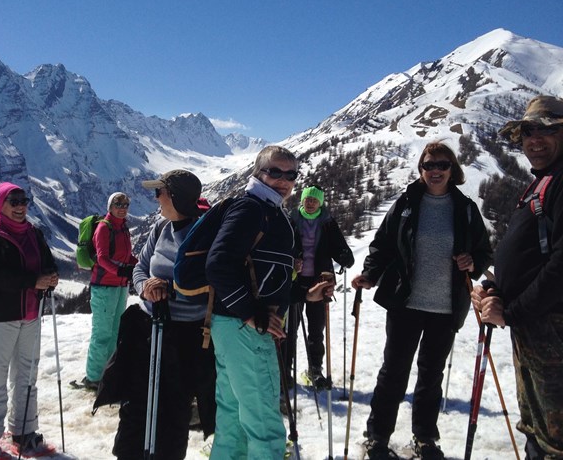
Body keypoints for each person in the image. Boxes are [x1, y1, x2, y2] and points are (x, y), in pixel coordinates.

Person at [351, 142, 492, 460]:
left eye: (442, 165)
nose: (436, 171)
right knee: (394, 372)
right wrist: (370, 275)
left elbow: (484, 251)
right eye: (429, 165)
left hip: (446, 307)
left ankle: (425, 438)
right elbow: (383, 244)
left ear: (452, 169)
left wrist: (473, 263)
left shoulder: (466, 208)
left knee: (431, 375)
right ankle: (377, 437)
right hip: (406, 303)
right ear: (421, 169)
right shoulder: (406, 203)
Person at [471, 95, 563, 459]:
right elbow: (533, 255)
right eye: (527, 132)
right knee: (539, 427)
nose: (534, 139)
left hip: (551, 330)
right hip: (537, 329)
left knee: (555, 437)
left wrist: (511, 312)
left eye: (546, 130)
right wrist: (497, 288)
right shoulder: (546, 180)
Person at [110, 169, 216, 460]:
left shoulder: (205, 235)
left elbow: (209, 282)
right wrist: (146, 287)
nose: (155, 198)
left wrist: (168, 288)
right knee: (135, 403)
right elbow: (140, 268)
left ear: (176, 197)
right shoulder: (160, 228)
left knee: (174, 409)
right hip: (148, 328)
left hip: (183, 335)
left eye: (160, 193)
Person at [204, 145, 298, 459]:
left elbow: (266, 274)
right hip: (245, 330)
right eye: (274, 172)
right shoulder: (252, 209)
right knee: (264, 423)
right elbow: (218, 264)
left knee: (233, 414)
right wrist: (250, 314)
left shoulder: (267, 210)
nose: (283, 180)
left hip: (231, 326)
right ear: (257, 174)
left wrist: (303, 294)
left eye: (290, 174)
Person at [0, 182, 59, 458]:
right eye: (14, 201)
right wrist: (35, 281)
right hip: (0, 316)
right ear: (1, 204)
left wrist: (51, 277)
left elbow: (48, 262)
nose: (21, 206)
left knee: (27, 375)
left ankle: (25, 430)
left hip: (31, 314)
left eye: (24, 200)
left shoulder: (34, 233)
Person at [284, 185, 354, 389]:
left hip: (319, 283)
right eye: (308, 199)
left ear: (321, 202)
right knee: (290, 329)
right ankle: (286, 370)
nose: (311, 202)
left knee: (316, 330)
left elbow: (339, 246)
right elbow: (283, 246)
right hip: (295, 282)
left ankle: (315, 369)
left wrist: (344, 256)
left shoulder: (327, 223)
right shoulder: (292, 219)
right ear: (302, 200)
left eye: (315, 199)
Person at [81, 192, 138, 390]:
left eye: (126, 204)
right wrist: (121, 270)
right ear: (110, 206)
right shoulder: (104, 228)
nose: (122, 207)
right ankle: (93, 377)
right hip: (104, 287)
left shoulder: (123, 227)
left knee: (115, 332)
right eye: (118, 203)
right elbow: (102, 257)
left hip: (120, 286)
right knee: (102, 334)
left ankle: (108, 372)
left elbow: (127, 255)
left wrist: (137, 265)